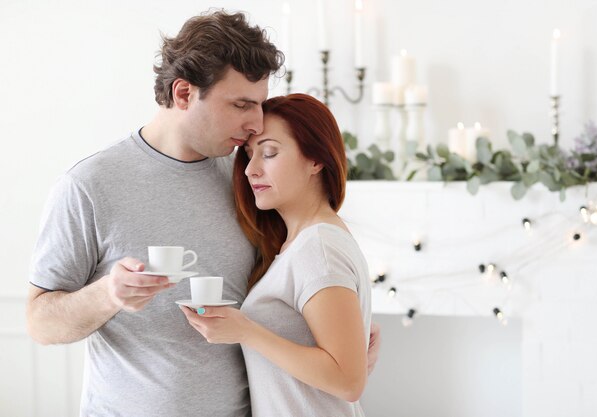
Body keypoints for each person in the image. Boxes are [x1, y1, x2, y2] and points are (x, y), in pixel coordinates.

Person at [26, 10, 379, 417]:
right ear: (183, 93)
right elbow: (40, 322)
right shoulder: (88, 186)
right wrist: (108, 294)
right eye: (242, 105)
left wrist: (347, 329)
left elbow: (301, 277)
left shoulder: (249, 182)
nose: (256, 123)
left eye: (260, 105)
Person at [180, 93, 371, 416]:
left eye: (269, 153)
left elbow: (348, 380)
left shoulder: (318, 246)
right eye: (250, 155)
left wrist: (246, 331)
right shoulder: (298, 244)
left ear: (315, 160)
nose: (250, 170)